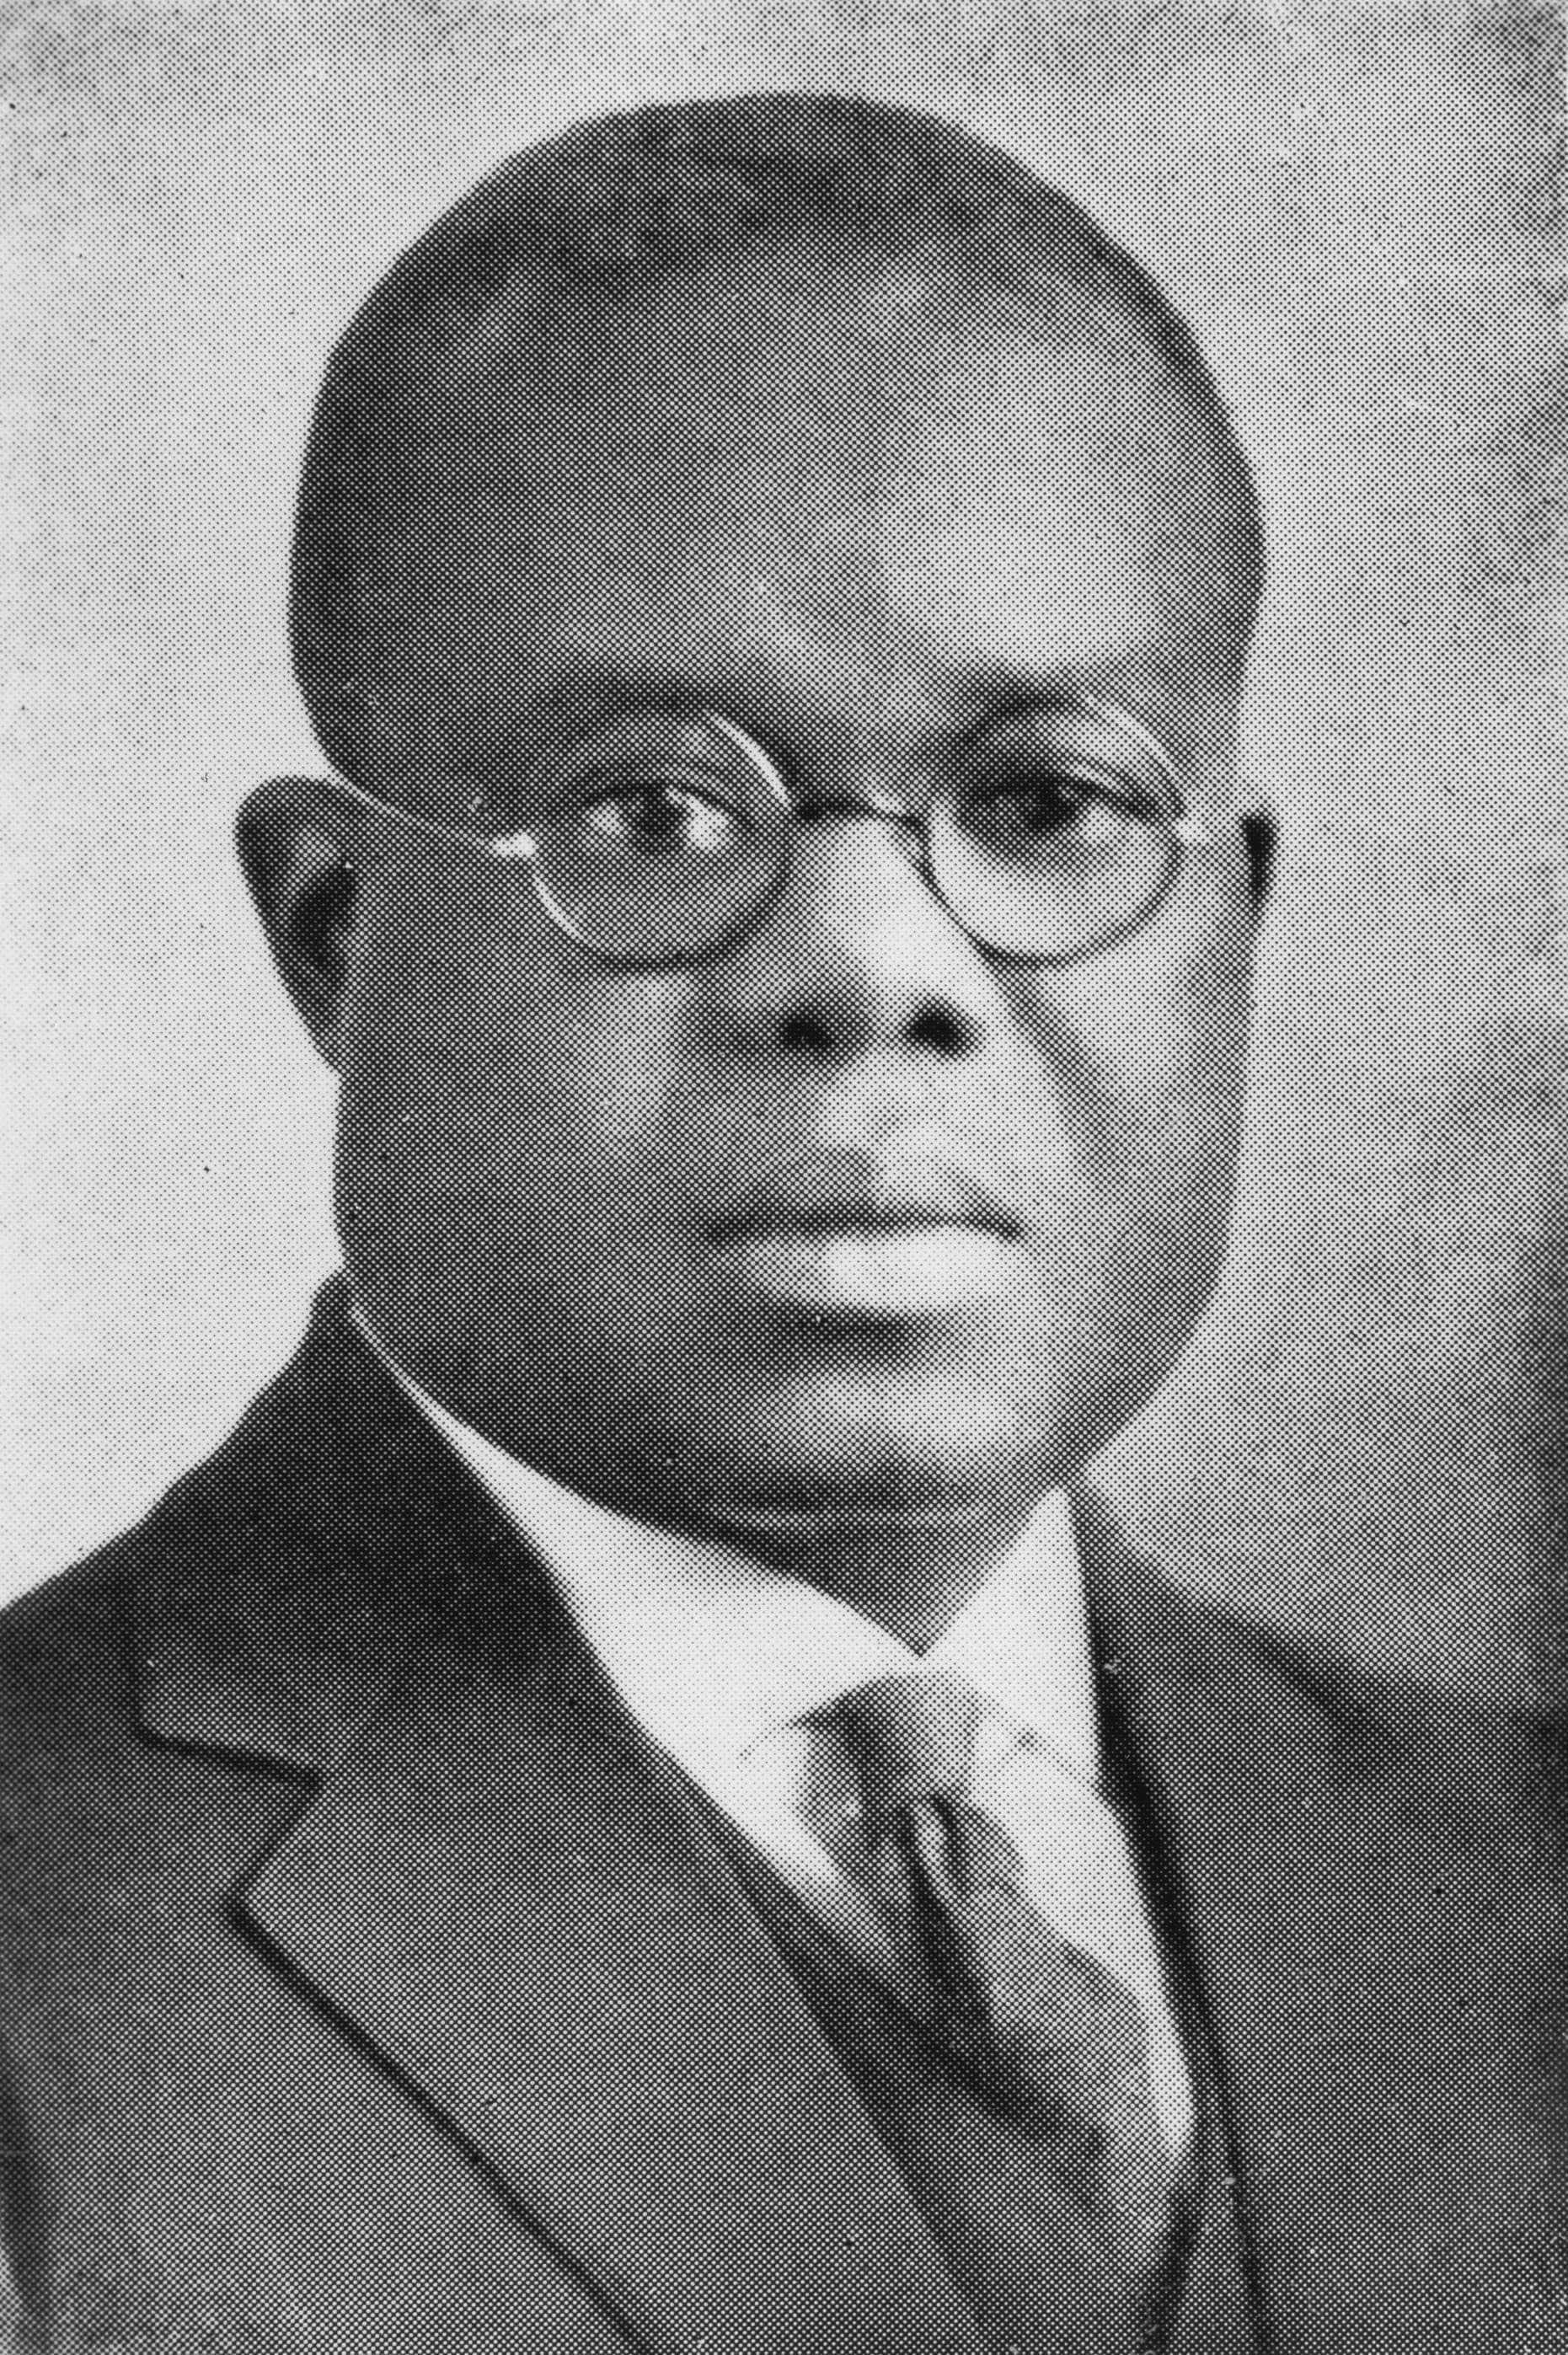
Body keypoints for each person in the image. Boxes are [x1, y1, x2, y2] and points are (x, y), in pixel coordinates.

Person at [1, 91, 1561, 2355]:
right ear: (335, 937)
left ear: (1232, 919)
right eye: (647, 807)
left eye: (1047, 802)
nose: (876, 965)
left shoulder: (1515, 1882)